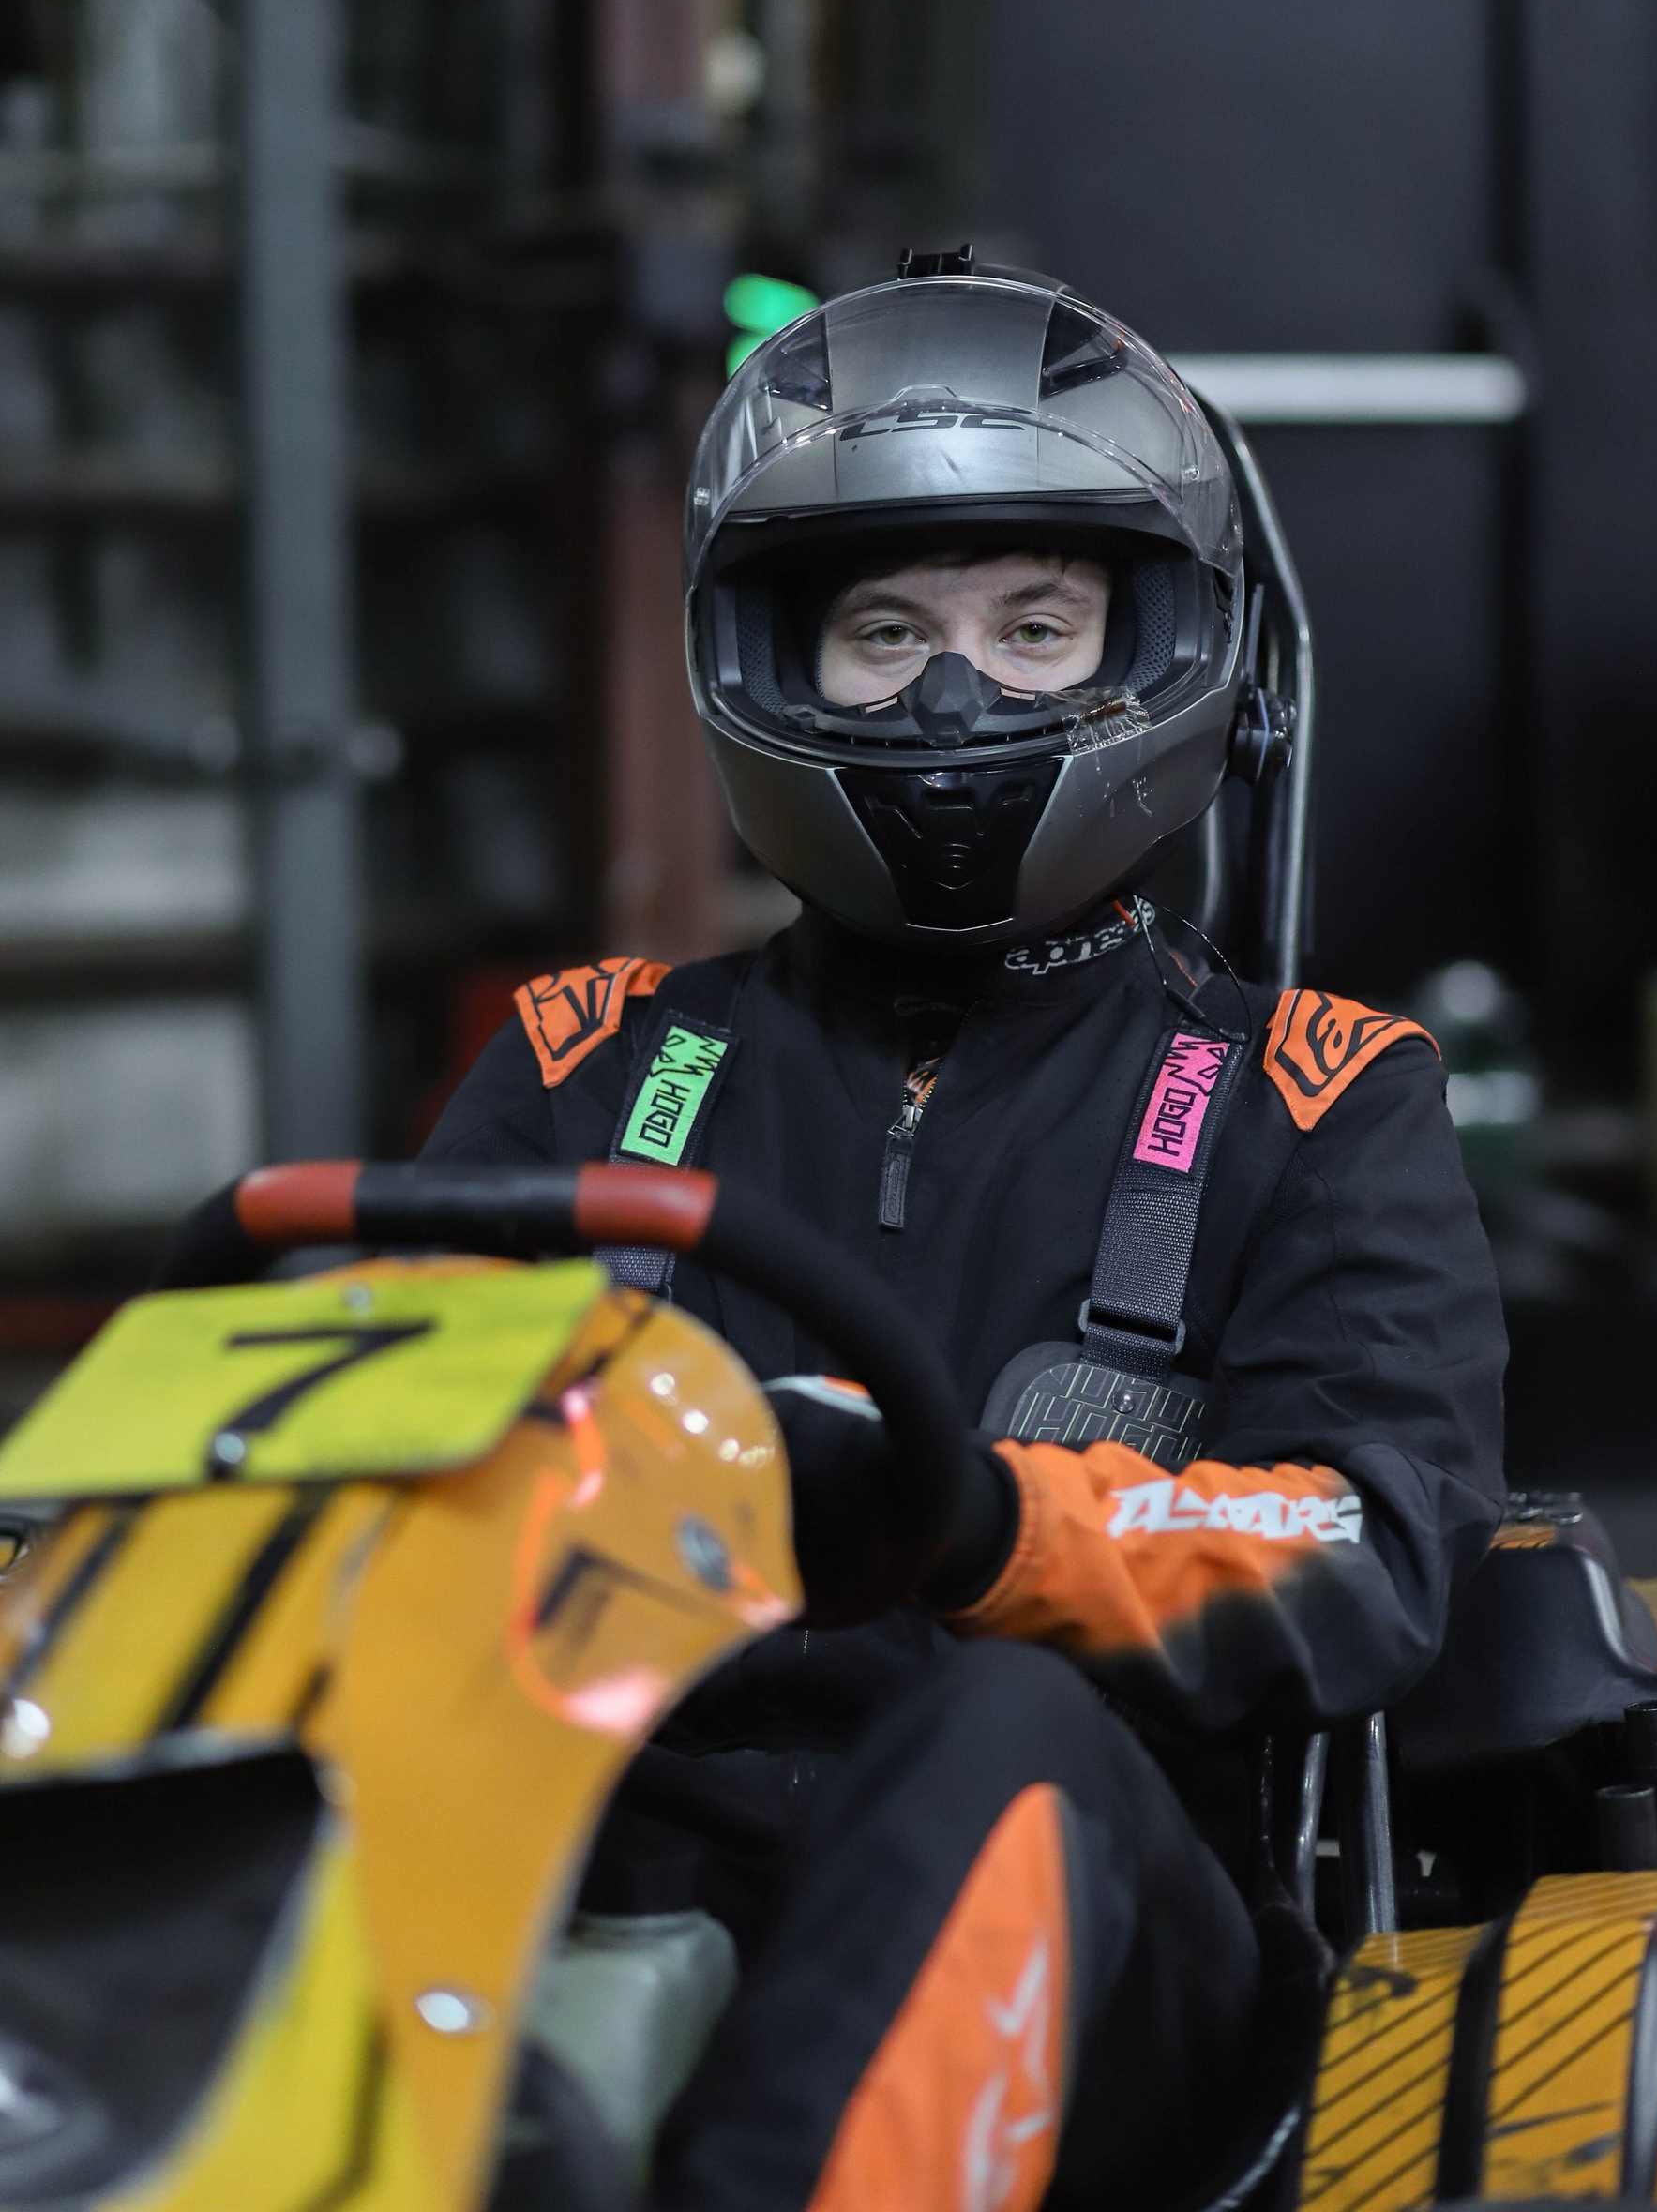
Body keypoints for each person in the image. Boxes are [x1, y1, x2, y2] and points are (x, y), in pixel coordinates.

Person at [425, 254, 1506, 2212]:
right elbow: (396, 1461)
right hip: (629, 1851)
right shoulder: (593, 1063)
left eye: (1034, 628)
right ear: (773, 660)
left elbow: (1367, 1560)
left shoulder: (1318, 1096)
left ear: (1163, 648)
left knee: (996, 1725)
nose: (950, 696)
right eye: (883, 634)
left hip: (1120, 1915)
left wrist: (978, 1523)